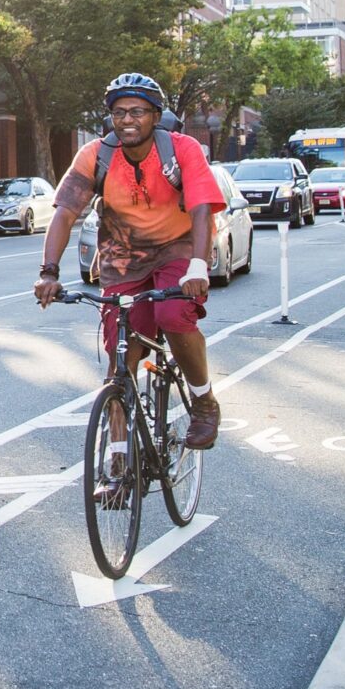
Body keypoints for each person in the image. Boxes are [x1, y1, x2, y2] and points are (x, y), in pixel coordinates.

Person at [35, 73, 227, 491]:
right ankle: (118, 465)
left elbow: (200, 208)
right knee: (122, 357)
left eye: (137, 111)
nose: (127, 119)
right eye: (119, 112)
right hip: (123, 259)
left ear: (155, 116)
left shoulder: (181, 149)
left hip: (178, 249)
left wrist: (198, 264)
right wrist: (49, 271)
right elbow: (65, 212)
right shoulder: (96, 155)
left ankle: (204, 400)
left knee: (174, 314)